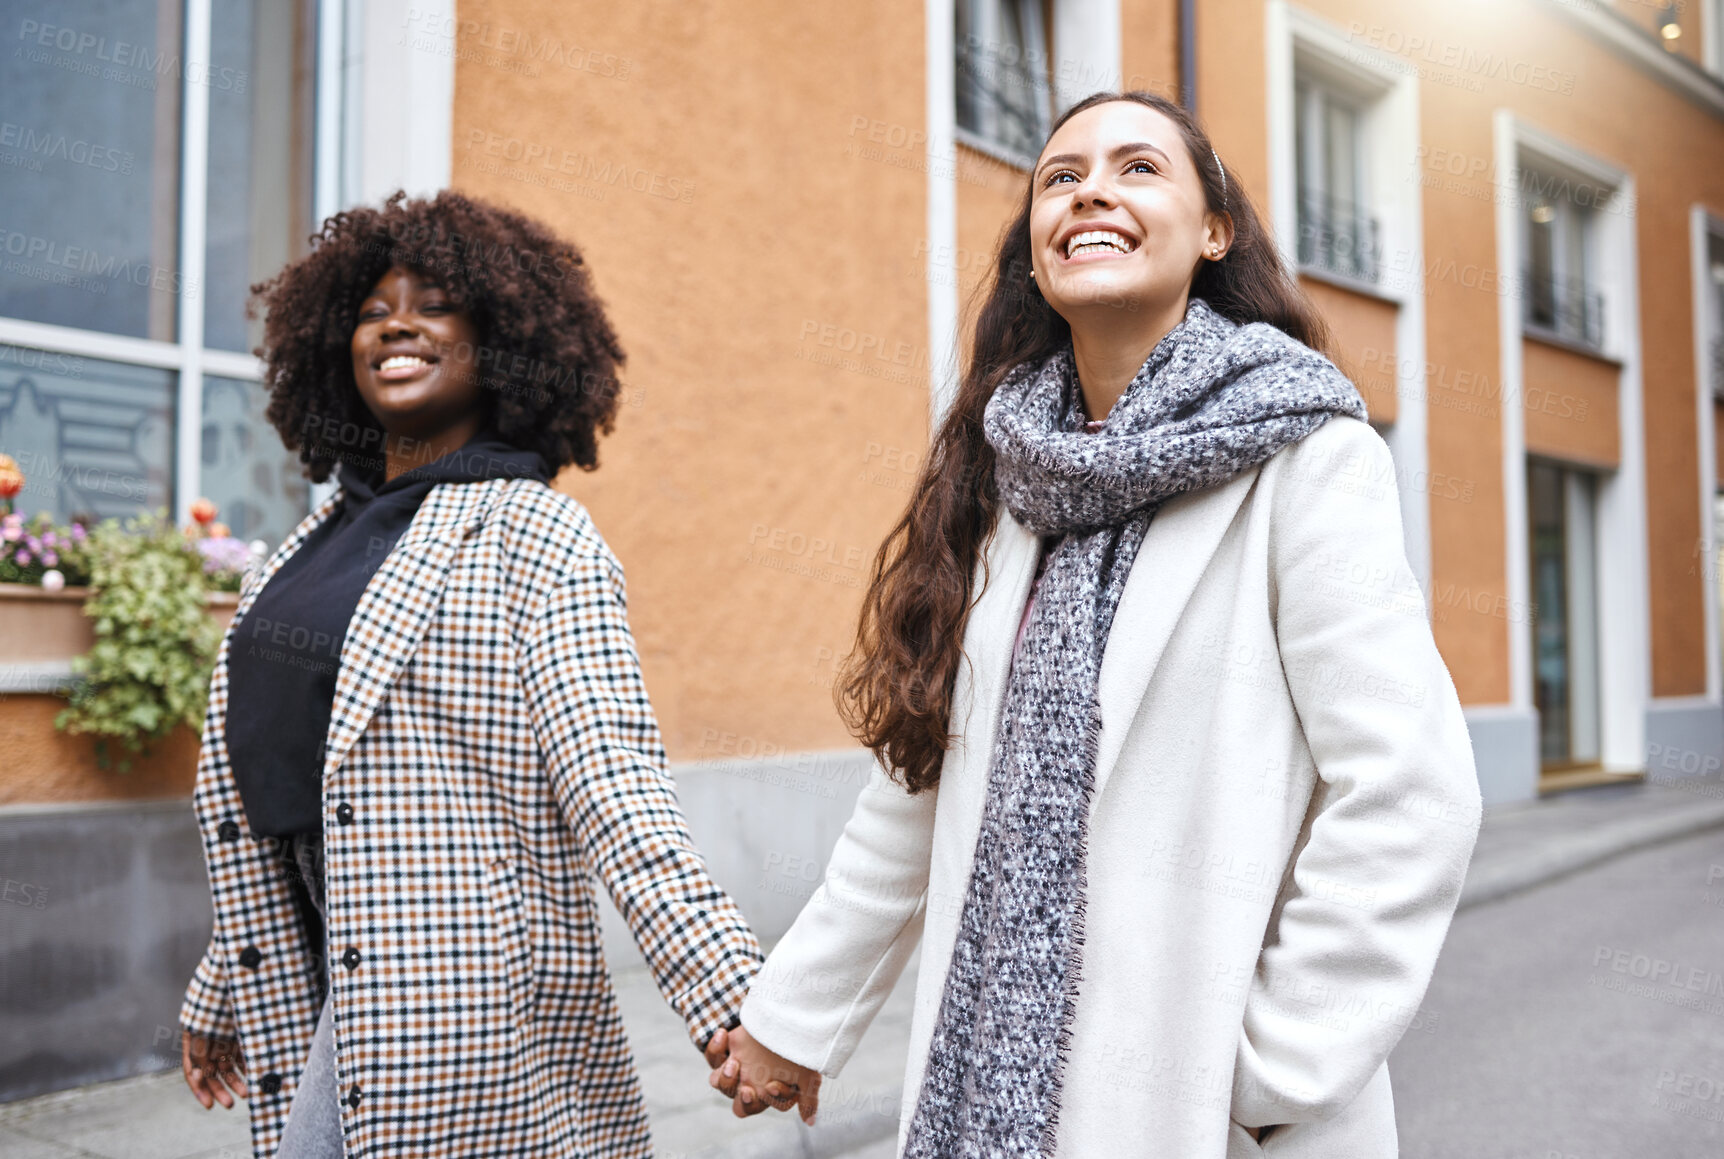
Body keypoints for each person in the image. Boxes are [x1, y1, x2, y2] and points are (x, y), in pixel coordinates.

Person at [703, 91, 1483, 1157]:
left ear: (1213, 232)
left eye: (1136, 169)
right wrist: (793, 1020)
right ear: (1034, 245)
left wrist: (1272, 1065)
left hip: (1203, 1102)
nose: (1089, 194)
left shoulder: (1306, 457)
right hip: (985, 1091)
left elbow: (1408, 789)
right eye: (1058, 178)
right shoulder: (998, 476)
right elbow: (917, 791)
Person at [178, 190, 762, 1158]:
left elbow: (615, 785)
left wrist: (729, 994)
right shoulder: (315, 543)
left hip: (455, 985)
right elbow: (302, 785)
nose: (396, 322)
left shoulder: (535, 532)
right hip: (312, 955)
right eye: (370, 310)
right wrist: (225, 976)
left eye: (433, 303)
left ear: (501, 339)